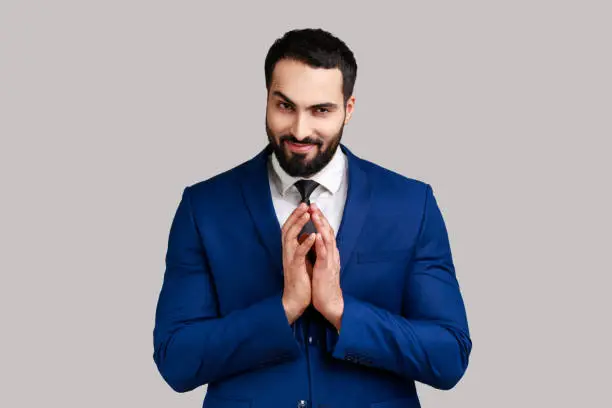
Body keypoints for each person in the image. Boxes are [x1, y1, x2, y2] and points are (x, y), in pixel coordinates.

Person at [153, 28, 472, 408]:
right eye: (285, 106)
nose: (300, 130)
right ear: (267, 98)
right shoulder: (203, 207)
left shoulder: (411, 204)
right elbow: (176, 360)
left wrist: (341, 310)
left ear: (348, 109)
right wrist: (283, 309)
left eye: (321, 110)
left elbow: (449, 357)